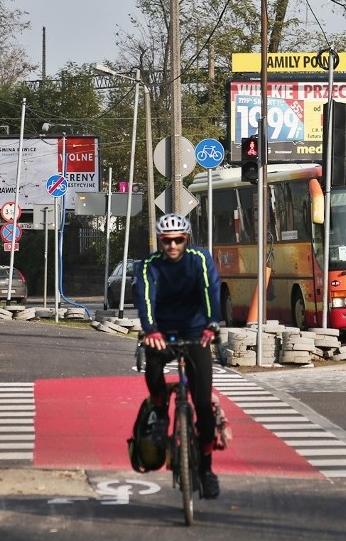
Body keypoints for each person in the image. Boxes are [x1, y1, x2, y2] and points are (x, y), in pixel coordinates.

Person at [133, 213, 222, 499]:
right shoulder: (149, 265)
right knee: (153, 363)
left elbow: (210, 288)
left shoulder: (199, 258)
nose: (172, 246)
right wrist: (151, 330)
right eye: (167, 241)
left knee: (204, 406)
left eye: (178, 240)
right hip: (163, 331)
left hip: (196, 331)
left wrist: (212, 323)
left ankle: (206, 470)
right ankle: (160, 412)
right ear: (160, 241)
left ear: (186, 239)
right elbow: (145, 296)